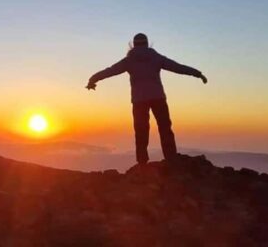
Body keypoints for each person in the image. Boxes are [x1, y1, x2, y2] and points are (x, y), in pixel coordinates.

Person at [86, 33, 207, 164]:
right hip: (158, 97)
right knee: (165, 127)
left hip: (139, 101)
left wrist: (93, 79)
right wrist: (197, 73)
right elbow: (177, 67)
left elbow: (109, 71)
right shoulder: (156, 58)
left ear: (133, 44)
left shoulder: (129, 61)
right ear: (147, 43)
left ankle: (142, 161)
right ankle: (171, 157)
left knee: (141, 129)